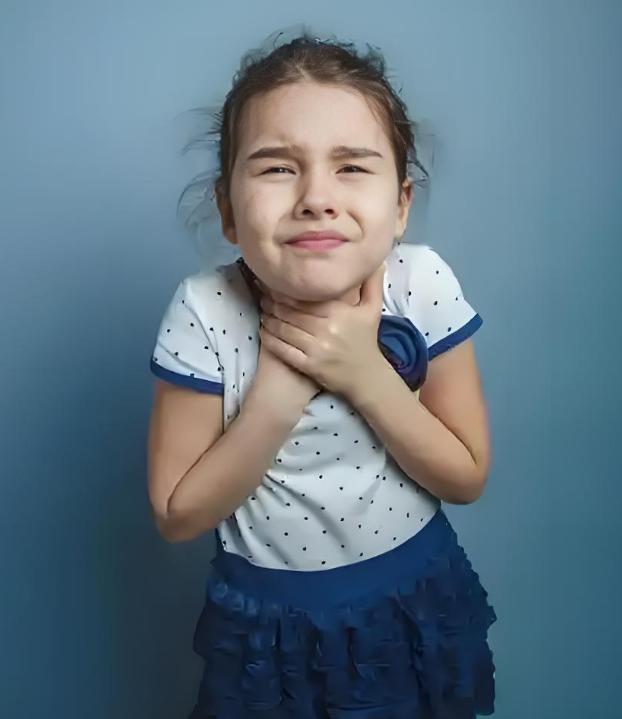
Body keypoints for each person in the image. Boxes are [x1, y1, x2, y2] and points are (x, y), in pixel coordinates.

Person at [147, 26, 497, 718]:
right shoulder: (206, 310)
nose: (316, 196)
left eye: (352, 167)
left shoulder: (419, 282)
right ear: (226, 210)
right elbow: (176, 515)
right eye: (278, 167)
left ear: (400, 206)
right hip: (270, 627)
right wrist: (277, 394)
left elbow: (467, 474)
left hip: (410, 599)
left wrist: (366, 374)